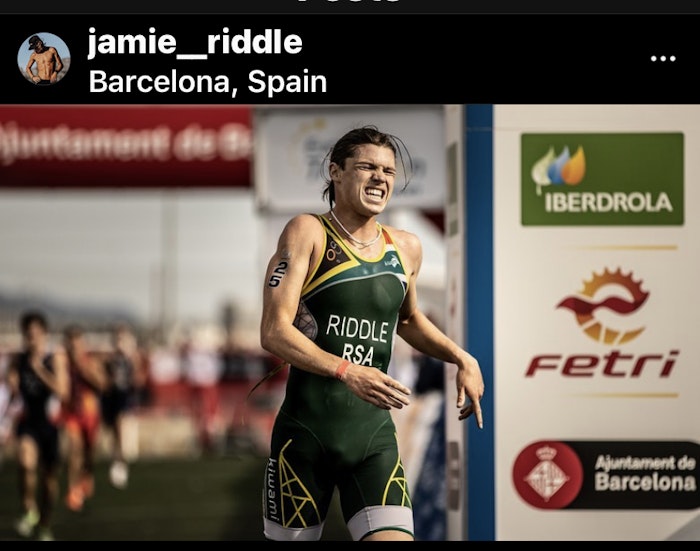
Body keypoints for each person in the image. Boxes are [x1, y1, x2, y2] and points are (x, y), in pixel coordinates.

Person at [258, 125, 485, 541]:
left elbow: (408, 320)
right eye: (367, 167)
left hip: (373, 439)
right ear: (336, 172)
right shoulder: (307, 231)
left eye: (388, 171)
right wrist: (348, 371)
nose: (380, 177)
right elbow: (274, 331)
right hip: (304, 440)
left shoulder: (406, 247)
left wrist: (462, 357)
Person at [6, 310, 70, 541]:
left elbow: (62, 391)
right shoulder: (19, 359)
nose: (31, 339)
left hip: (50, 425)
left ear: (44, 334)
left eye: (35, 334)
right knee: (25, 463)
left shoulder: (54, 358)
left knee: (49, 482)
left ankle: (45, 524)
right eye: (27, 334)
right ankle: (29, 509)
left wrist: (39, 370)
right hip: (29, 423)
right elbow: (11, 387)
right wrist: (11, 383)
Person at [59, 324, 107, 513]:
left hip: (89, 413)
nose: (74, 347)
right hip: (71, 413)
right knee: (74, 448)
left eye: (77, 343)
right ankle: (73, 489)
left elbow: (102, 384)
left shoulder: (90, 361)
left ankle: (87, 474)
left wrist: (84, 370)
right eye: (70, 343)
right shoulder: (61, 364)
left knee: (89, 452)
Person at [101, 322, 143, 489]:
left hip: (125, 397)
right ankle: (118, 460)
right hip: (112, 398)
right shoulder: (110, 360)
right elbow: (104, 381)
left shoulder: (130, 359)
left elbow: (138, 380)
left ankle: (120, 462)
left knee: (120, 427)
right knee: (114, 432)